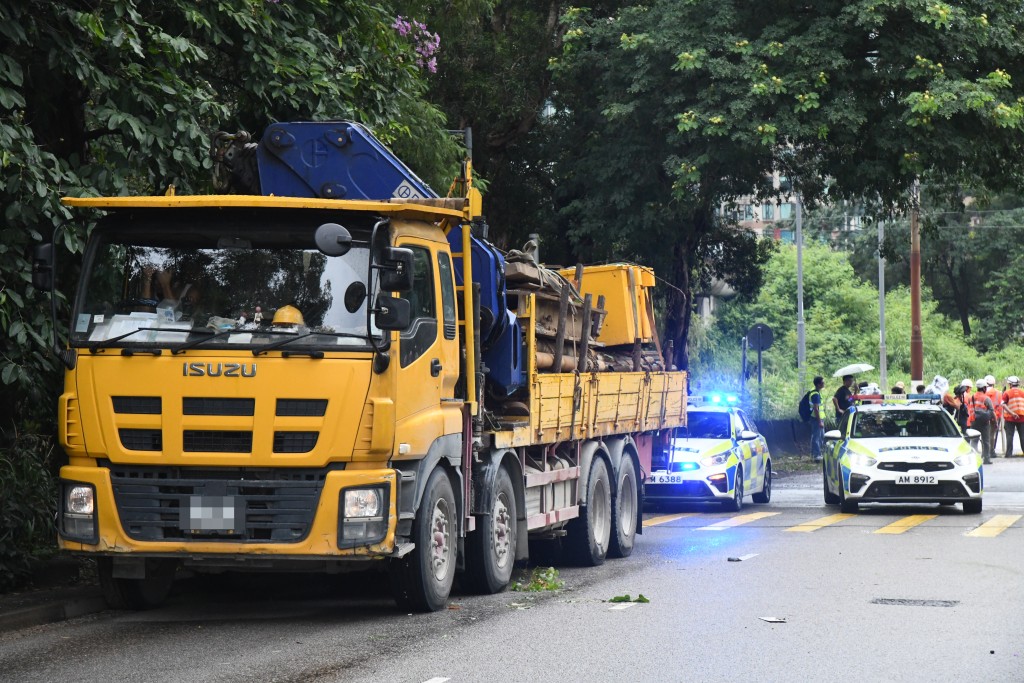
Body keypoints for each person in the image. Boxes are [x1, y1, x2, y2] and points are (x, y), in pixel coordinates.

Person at [972, 378, 995, 464]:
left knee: (974, 441)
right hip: (984, 423)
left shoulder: (972, 397)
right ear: (984, 388)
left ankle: (973, 459)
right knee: (986, 441)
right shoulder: (986, 398)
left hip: (974, 421)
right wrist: (995, 421)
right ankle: (986, 459)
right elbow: (992, 411)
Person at [1003, 376, 1024, 458]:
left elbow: (1003, 404)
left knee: (1009, 436)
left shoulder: (1007, 393)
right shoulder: (1022, 393)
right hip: (1022, 418)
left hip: (1010, 418)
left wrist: (1012, 413)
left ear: (1010, 384)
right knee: (1023, 436)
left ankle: (1009, 454)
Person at [984, 374, 1002, 456]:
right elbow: (1000, 405)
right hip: (995, 416)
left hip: (985, 416)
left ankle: (986, 451)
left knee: (985, 435)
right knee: (992, 434)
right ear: (993, 383)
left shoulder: (984, 393)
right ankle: (991, 451)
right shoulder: (998, 393)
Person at [810, 376, 825, 462]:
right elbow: (816, 409)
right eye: (822, 382)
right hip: (817, 419)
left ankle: (816, 454)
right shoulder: (815, 394)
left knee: (819, 437)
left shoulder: (816, 392)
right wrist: (819, 421)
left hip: (818, 418)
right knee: (816, 437)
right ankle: (816, 455)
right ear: (819, 384)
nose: (824, 384)